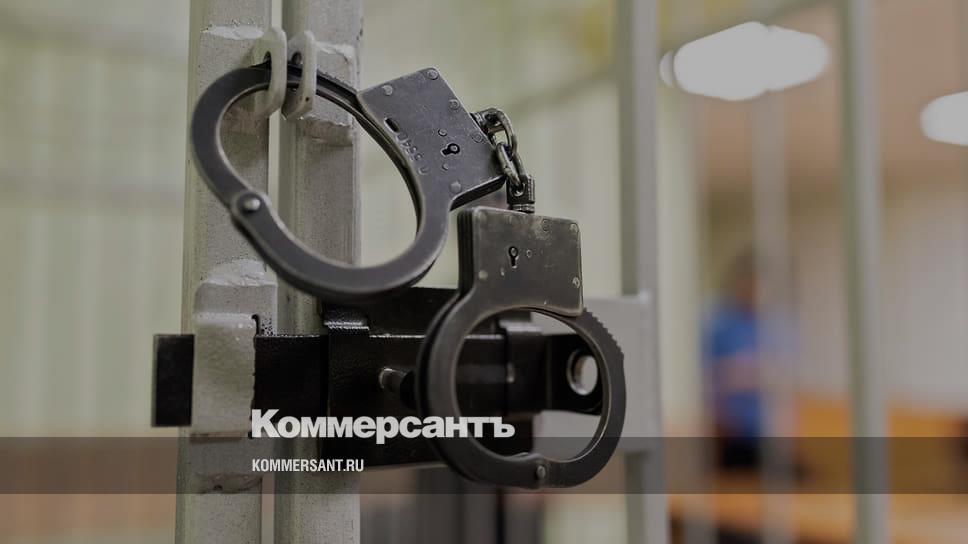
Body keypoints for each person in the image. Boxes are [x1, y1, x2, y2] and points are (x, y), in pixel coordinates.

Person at [703, 251, 764, 469]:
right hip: (729, 434)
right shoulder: (719, 323)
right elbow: (711, 375)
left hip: (762, 434)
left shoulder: (764, 323)